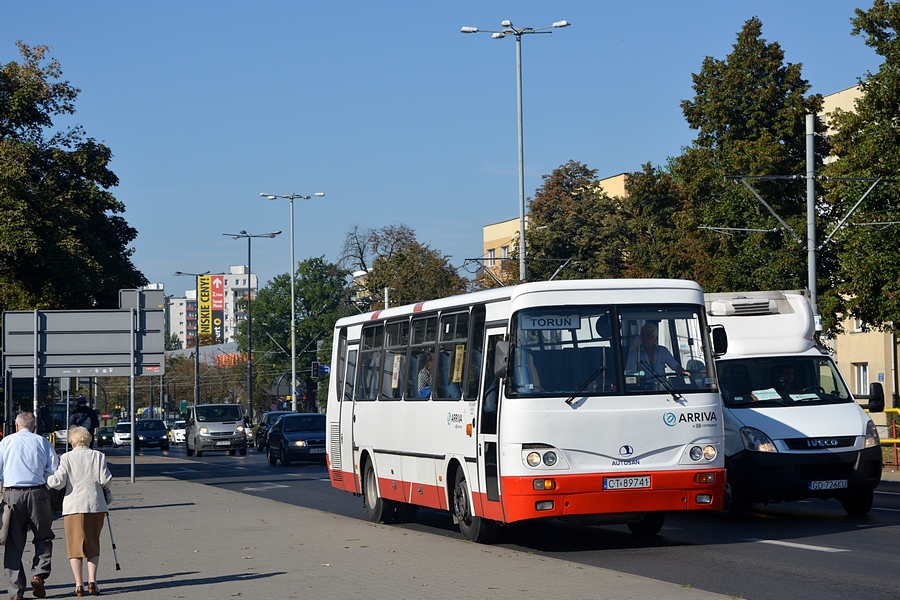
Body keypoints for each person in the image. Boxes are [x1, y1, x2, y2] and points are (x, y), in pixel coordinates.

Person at [47, 426, 112, 598]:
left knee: (74, 546)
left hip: (73, 507)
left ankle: (78, 585)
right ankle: (93, 581)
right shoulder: (98, 456)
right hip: (95, 506)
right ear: (88, 440)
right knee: (92, 544)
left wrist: (46, 477)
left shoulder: (67, 458)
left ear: (72, 442)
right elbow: (105, 480)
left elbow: (59, 483)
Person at [0, 412, 59, 600]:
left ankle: (15, 592)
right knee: (43, 537)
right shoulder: (43, 442)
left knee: (13, 544)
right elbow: (53, 470)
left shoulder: (5, 443)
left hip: (12, 495)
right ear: (34, 427)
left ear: (16, 426)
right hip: (38, 493)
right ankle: (39, 574)